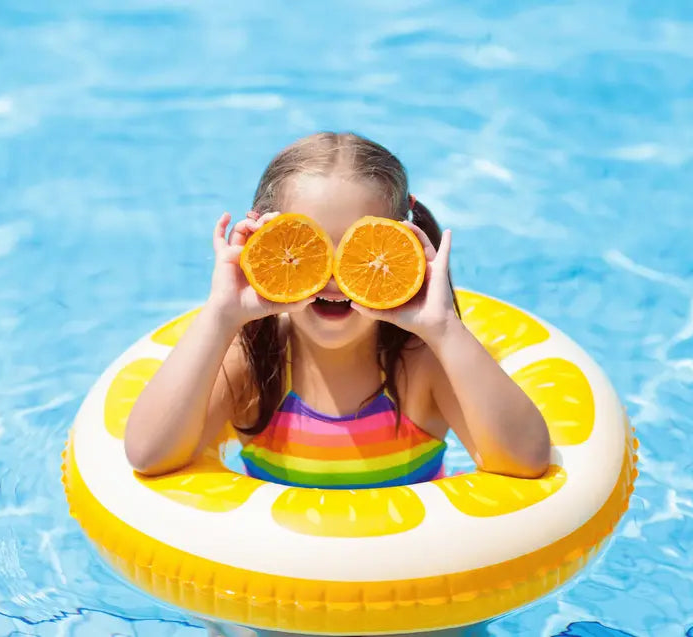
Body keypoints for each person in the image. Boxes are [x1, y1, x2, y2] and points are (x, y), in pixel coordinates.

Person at [124, 131, 550, 489]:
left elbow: (524, 462)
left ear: (404, 239)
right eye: (307, 248)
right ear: (262, 240)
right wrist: (220, 316)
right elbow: (149, 455)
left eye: (359, 249)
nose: (332, 278)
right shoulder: (252, 361)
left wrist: (443, 328)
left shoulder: (422, 364)